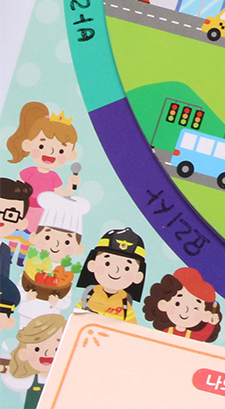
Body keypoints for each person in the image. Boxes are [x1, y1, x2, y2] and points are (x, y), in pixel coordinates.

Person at [6, 103, 80, 233]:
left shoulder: (54, 177)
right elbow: (17, 192)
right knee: (14, 234)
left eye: (61, 151)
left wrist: (71, 184)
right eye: (41, 146)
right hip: (22, 209)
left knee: (30, 238)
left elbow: (62, 195)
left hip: (41, 214)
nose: (50, 152)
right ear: (28, 145)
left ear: (71, 155)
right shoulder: (28, 172)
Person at [75, 227, 146, 323]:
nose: (115, 271)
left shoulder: (126, 307)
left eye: (126, 268)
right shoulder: (88, 297)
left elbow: (131, 328)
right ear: (92, 265)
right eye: (107, 263)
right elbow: (74, 319)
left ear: (138, 276)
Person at [2, 312, 65, 409]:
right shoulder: (30, 380)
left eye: (57, 349)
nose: (47, 353)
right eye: (37, 349)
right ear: (23, 353)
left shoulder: (63, 380)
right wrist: (5, 371)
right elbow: (15, 383)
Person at [143, 267, 222, 342]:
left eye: (196, 308)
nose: (186, 311)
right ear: (163, 304)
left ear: (205, 315)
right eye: (177, 304)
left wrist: (211, 324)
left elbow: (202, 336)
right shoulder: (166, 331)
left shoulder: (191, 335)